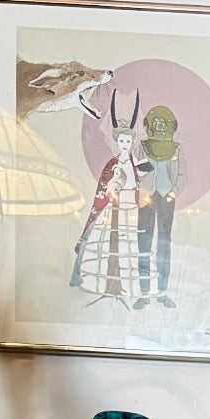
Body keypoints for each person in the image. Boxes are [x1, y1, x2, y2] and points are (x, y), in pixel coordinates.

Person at [71, 91, 145, 307]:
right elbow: (105, 188)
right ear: (117, 140)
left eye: (127, 140)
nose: (124, 144)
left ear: (132, 141)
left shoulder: (134, 162)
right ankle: (109, 285)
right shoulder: (113, 163)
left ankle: (127, 288)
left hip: (130, 210)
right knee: (110, 246)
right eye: (121, 140)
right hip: (113, 211)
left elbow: (137, 183)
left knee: (128, 247)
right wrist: (114, 184)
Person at [135, 105, 186, 310]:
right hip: (146, 199)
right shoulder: (143, 146)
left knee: (164, 244)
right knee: (143, 245)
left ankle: (162, 291)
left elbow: (182, 175)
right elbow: (138, 170)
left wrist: (172, 193)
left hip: (166, 199)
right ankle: (144, 293)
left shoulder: (177, 148)